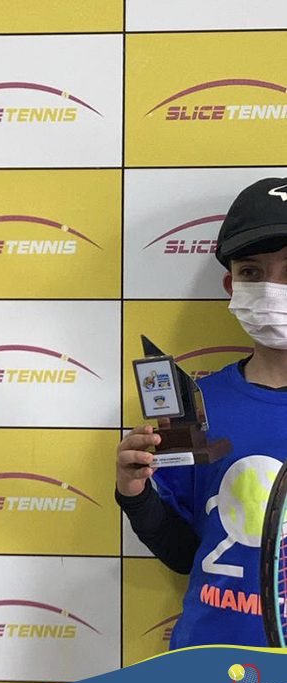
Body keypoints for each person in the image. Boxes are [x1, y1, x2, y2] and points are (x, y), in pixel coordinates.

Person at [116, 176, 287, 648]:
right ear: (232, 286)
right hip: (209, 663)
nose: (272, 290)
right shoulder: (196, 405)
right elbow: (182, 553)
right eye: (252, 272)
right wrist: (134, 493)